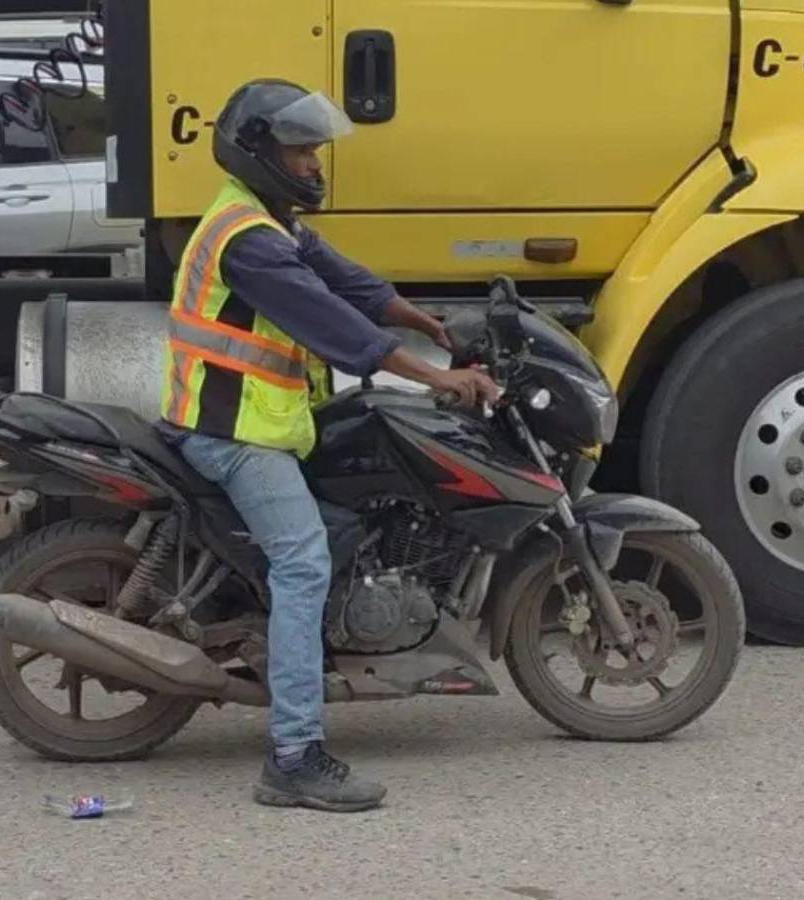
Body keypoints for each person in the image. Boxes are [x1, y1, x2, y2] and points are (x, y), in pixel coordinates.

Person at [158, 79, 500, 813]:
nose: (315, 163)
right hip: (233, 435)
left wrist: (432, 323)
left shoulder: (271, 223)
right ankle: (292, 757)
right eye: (301, 150)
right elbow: (340, 328)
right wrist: (436, 378)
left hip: (273, 425)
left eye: (315, 150)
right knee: (303, 560)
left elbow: (350, 285)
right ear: (258, 154)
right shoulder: (248, 242)